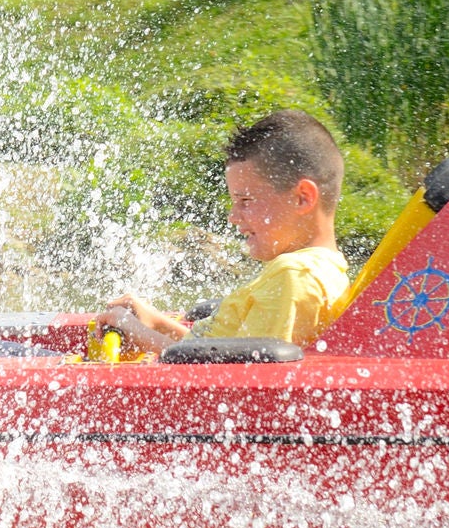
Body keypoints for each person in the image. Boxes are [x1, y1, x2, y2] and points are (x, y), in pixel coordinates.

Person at [98, 110, 350, 353]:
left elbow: (239, 377)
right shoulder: (318, 270)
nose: (233, 217)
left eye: (246, 201)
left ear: (302, 198)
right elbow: (223, 352)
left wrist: (135, 333)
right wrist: (157, 323)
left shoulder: (295, 276)